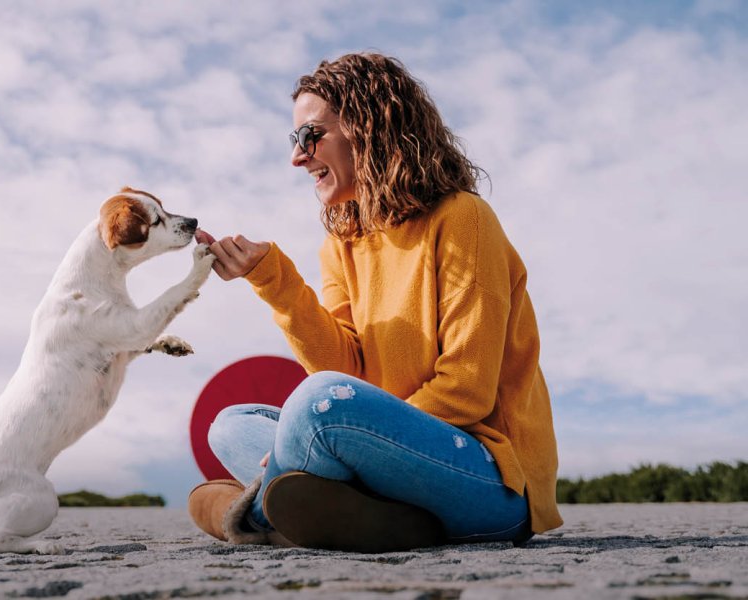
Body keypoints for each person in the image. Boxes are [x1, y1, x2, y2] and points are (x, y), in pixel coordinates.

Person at [188, 52, 562, 552]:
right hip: (390, 463)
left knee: (316, 408)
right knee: (231, 426)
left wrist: (352, 437)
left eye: (310, 135)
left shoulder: (464, 219)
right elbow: (344, 367)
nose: (297, 158)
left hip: (491, 479)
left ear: (370, 126)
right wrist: (269, 278)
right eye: (294, 140)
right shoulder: (341, 244)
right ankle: (384, 518)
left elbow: (467, 391)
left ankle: (247, 514)